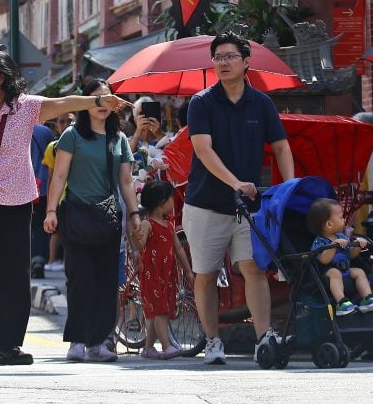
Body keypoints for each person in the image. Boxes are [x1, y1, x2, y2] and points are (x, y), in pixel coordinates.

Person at [0, 49, 131, 365]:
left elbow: (64, 104)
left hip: (15, 202)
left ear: (0, 78)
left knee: (14, 275)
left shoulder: (24, 108)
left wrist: (97, 102)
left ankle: (9, 346)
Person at [184, 31, 295, 365]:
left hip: (247, 207)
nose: (223, 63)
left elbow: (281, 147)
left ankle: (263, 339)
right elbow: (203, 151)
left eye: (230, 56)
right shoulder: (201, 102)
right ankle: (213, 340)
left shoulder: (261, 103)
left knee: (253, 268)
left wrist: (289, 190)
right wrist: (235, 182)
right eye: (218, 57)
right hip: (205, 203)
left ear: (246, 62)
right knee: (205, 274)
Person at [43, 80, 140, 363]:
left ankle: (98, 342)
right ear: (85, 103)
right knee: (80, 280)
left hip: (108, 218)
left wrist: (134, 214)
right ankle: (77, 339)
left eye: (106, 98)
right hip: (75, 215)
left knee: (107, 282)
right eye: (95, 98)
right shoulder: (72, 135)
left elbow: (126, 181)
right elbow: (59, 176)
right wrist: (51, 211)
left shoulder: (119, 139)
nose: (101, 103)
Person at [132, 179, 194, 359]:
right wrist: (136, 237)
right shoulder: (148, 224)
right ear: (161, 203)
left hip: (167, 273)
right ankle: (166, 346)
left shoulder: (169, 226)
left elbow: (179, 249)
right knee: (159, 311)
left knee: (158, 309)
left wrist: (188, 270)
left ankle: (148, 347)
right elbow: (141, 244)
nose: (173, 203)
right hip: (152, 273)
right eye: (170, 199)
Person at [306, 198, 373, 316]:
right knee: (334, 272)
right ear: (329, 224)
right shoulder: (320, 241)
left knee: (359, 271)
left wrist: (357, 245)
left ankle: (367, 298)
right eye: (341, 217)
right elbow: (323, 260)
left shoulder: (342, 236)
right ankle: (341, 302)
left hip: (345, 269)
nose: (344, 219)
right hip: (328, 272)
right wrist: (332, 246)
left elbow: (350, 255)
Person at [42, 113, 74, 273]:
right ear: (56, 126)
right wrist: (50, 203)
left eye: (70, 120)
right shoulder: (52, 147)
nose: (66, 124)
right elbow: (51, 177)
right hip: (60, 197)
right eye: (62, 121)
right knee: (57, 232)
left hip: (75, 195)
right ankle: (52, 259)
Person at [29, 121, 54, 279]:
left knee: (24, 225)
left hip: (22, 186)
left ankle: (25, 260)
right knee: (40, 226)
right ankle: (38, 259)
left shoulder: (16, 127)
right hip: (43, 185)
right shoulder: (45, 132)